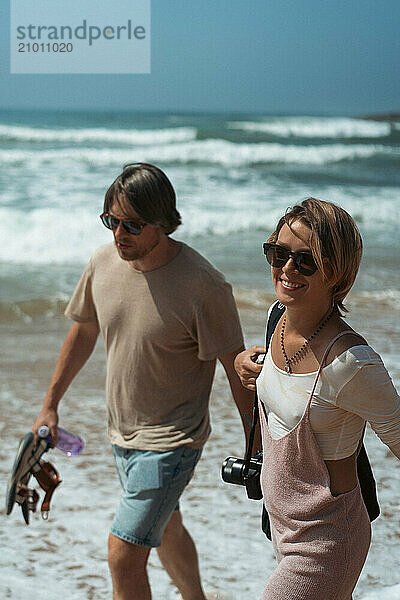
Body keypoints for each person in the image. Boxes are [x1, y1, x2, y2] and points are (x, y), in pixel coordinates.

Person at [32, 163, 254, 600]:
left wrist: (258, 445)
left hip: (172, 442)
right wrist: (50, 402)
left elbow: (237, 369)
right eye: (111, 221)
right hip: (122, 435)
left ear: (163, 221)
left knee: (122, 553)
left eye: (132, 224)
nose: (119, 234)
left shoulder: (204, 286)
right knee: (167, 526)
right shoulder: (102, 262)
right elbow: (84, 330)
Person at [234, 198, 400, 600]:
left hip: (327, 540)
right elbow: (283, 389)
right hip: (283, 529)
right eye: (278, 253)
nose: (287, 268)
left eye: (305, 260)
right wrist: (244, 362)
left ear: (336, 271)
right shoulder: (278, 317)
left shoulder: (350, 362)